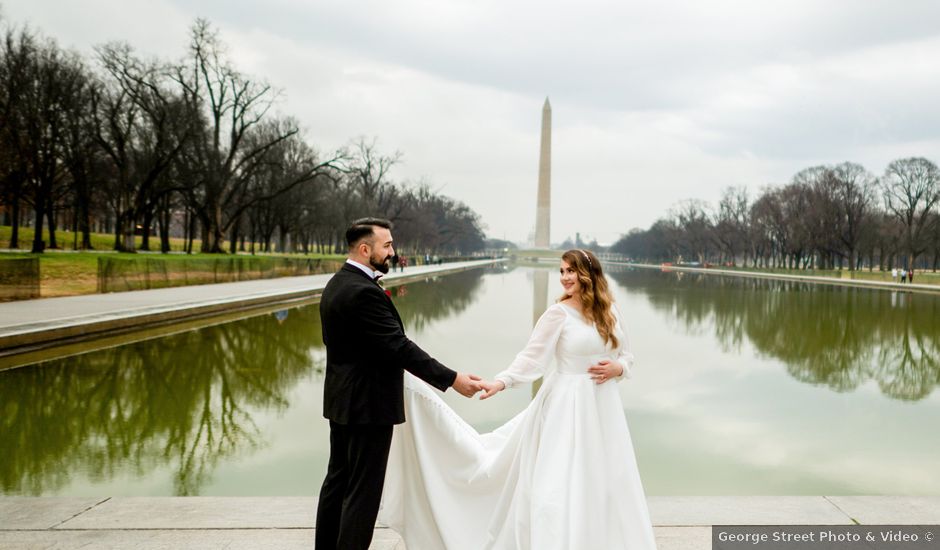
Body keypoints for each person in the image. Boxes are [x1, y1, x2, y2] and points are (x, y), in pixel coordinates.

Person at [379, 249, 657, 550]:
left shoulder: (611, 311)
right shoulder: (557, 314)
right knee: (557, 484)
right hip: (566, 406)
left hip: (603, 406)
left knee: (608, 478)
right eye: (562, 271)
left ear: (588, 275)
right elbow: (532, 359)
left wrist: (620, 368)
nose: (564, 278)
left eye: (570, 271)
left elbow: (627, 355)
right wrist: (501, 381)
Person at [315, 218, 484, 550]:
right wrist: (452, 379)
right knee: (363, 491)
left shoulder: (338, 283)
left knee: (338, 482)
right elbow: (399, 346)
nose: (393, 252)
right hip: (368, 405)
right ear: (366, 249)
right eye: (387, 245)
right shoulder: (363, 292)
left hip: (342, 400)